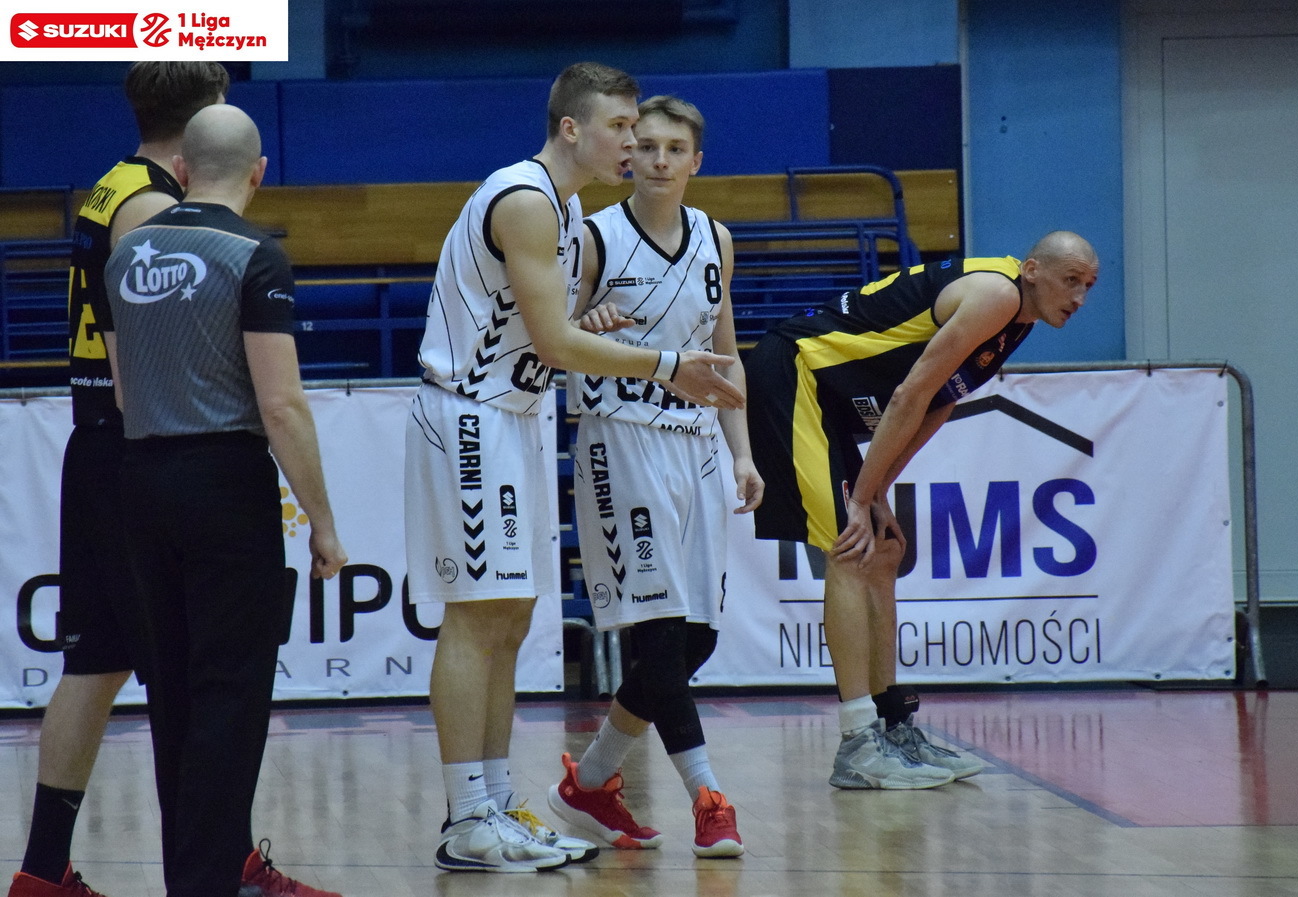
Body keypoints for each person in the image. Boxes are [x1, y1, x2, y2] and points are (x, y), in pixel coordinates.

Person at [405, 63, 745, 874]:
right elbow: (557, 346)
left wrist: (591, 325)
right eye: (620, 127)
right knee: (476, 617)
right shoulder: (526, 200)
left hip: (517, 414)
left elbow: (548, 331)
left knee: (511, 618)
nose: (632, 141)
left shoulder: (562, 208)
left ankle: (496, 803)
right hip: (471, 414)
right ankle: (466, 816)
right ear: (571, 128)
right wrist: (666, 364)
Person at [744, 232, 1099, 789]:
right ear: (1033, 270)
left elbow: (939, 402)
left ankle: (893, 726)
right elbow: (908, 394)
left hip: (829, 393)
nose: (1079, 298)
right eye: (1070, 281)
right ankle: (857, 742)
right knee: (850, 549)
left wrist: (879, 488)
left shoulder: (1019, 318)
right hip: (795, 372)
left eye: (1089, 286)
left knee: (884, 549)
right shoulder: (997, 296)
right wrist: (861, 498)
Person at [103, 104, 348, 897]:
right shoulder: (254, 255)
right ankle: (211, 883)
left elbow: (122, 388)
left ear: (180, 171)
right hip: (223, 483)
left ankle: (191, 880)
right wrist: (322, 520)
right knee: (230, 692)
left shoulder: (124, 254)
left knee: (172, 690)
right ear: (258, 172)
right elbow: (281, 405)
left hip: (139, 479)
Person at [8, 61, 229, 897]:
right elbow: (147, 354)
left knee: (96, 664)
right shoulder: (153, 207)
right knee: (185, 673)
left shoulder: (113, 184)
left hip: (99, 446)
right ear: (203, 120)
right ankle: (217, 867)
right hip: (135, 452)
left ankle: (42, 870)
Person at [543, 95, 761, 859]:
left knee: (695, 638)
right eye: (649, 145)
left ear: (697, 161)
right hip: (622, 439)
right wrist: (585, 326)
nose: (660, 159)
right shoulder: (592, 238)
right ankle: (709, 797)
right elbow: (548, 338)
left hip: (696, 444)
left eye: (676, 148)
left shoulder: (716, 238)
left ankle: (591, 779)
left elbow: (725, 353)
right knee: (661, 633)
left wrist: (741, 451)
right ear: (629, 155)